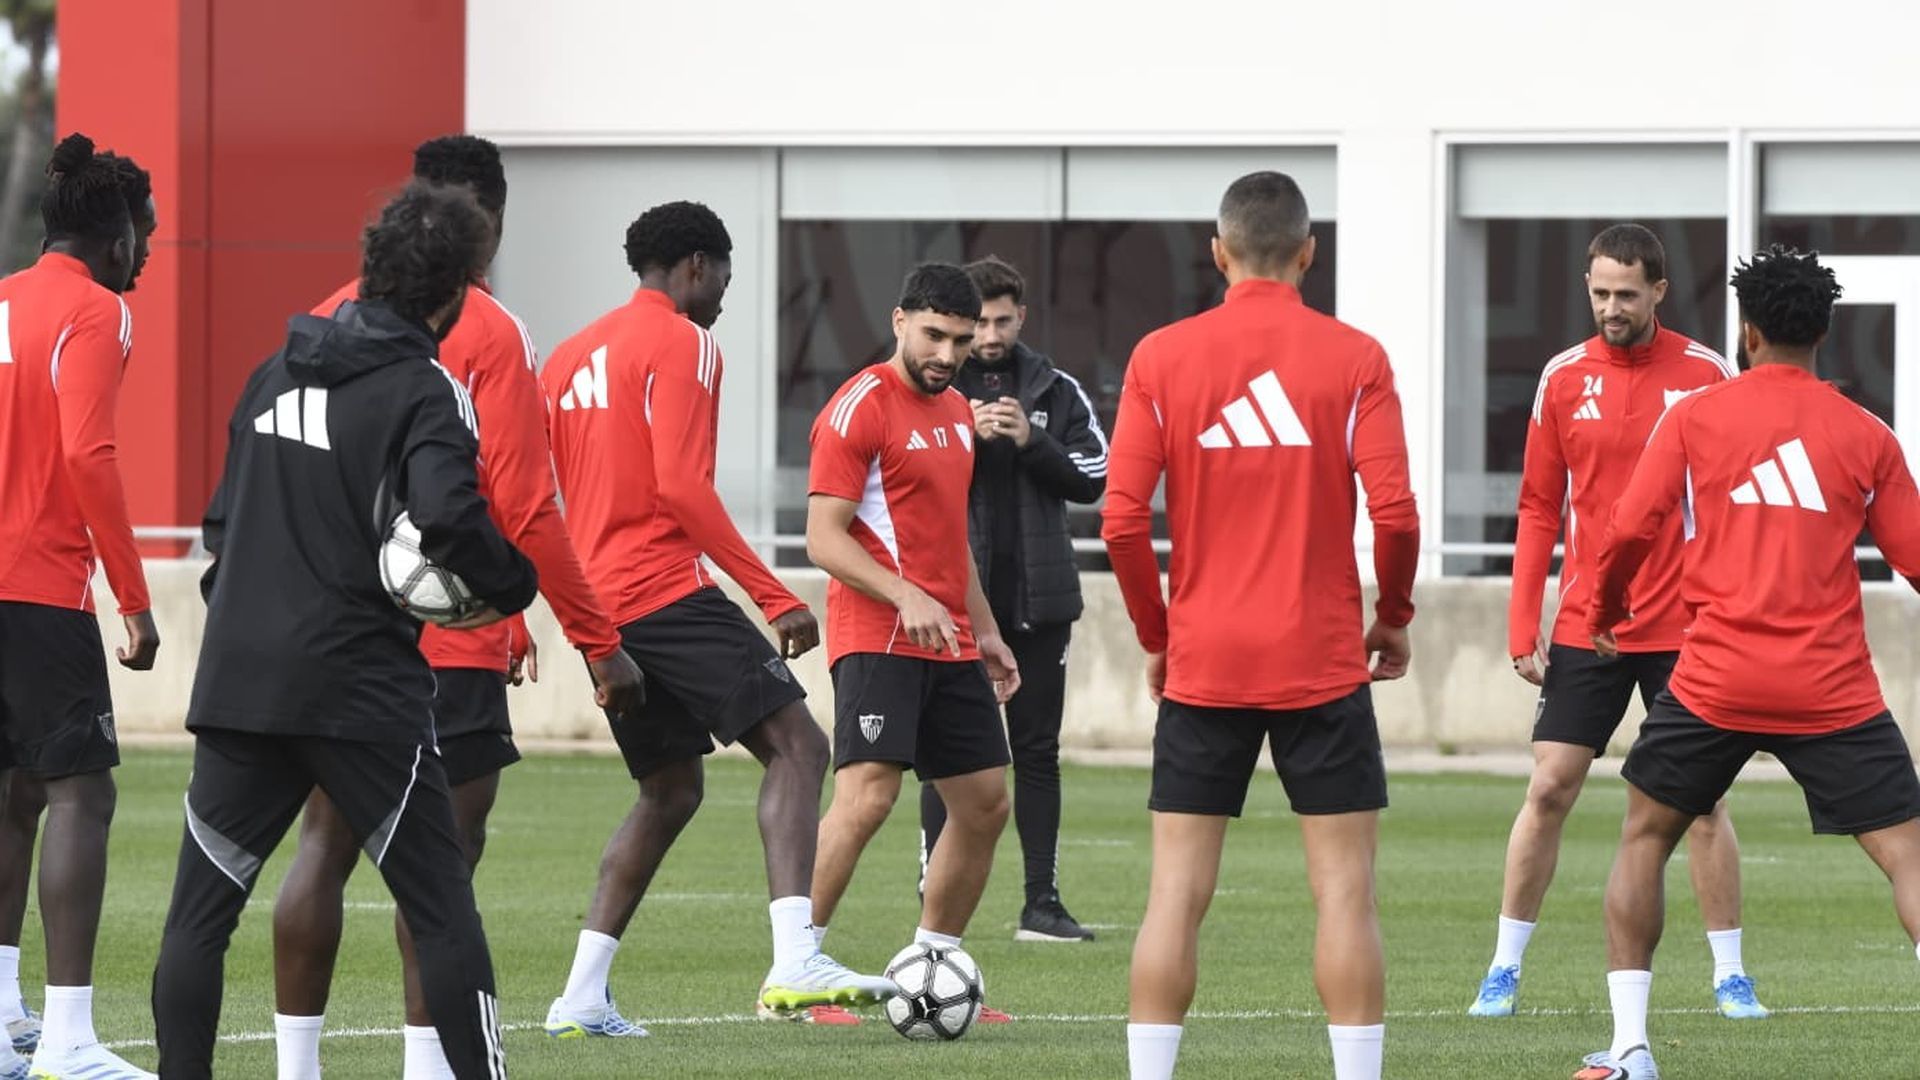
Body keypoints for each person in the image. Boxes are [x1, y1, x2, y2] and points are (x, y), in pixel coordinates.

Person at [271, 136, 640, 1080]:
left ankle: (295, 1069)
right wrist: (597, 642)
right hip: (444, 638)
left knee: (324, 844)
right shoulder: (491, 328)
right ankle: (430, 1067)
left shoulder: (327, 315)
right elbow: (524, 506)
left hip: (332, 635)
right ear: (492, 225)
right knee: (443, 863)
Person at [150, 181, 535, 1080]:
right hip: (361, 689)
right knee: (442, 912)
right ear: (456, 293)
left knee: (198, 919)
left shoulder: (271, 373)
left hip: (241, 680)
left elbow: (220, 529)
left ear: (370, 269)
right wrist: (513, 583)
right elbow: (448, 516)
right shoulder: (426, 388)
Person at [540, 200, 893, 1039]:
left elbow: (544, 497)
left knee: (670, 791)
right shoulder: (686, 340)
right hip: (664, 591)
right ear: (696, 266)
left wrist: (579, 628)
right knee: (801, 747)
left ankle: (581, 996)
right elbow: (681, 489)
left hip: (605, 612)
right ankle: (795, 958)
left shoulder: (566, 356)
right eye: (725, 276)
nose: (727, 296)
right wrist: (773, 594)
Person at [1572, 246, 1920, 1080]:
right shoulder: (1867, 434)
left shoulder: (1694, 417)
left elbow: (1628, 530)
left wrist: (1604, 611)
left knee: (1644, 837)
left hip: (1715, 681)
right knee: (1909, 856)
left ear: (1748, 331)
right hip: (1831, 689)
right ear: (1823, 334)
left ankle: (1629, 1051)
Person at [1104, 171, 1419, 1080]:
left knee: (1175, 895)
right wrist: (1393, 616)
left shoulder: (1161, 356)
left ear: (1218, 253)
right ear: (1309, 253)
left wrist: (1158, 635)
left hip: (1206, 659)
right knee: (1346, 894)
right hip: (1320, 656)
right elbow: (1396, 516)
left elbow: (1121, 521)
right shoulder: (1356, 357)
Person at [1472, 224, 1763, 1020]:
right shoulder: (1563, 377)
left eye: (1626, 294)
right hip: (1584, 624)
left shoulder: (1707, 373)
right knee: (1548, 787)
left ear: (1659, 291)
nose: (1611, 307)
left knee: (1702, 803)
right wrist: (1521, 620)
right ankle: (1503, 967)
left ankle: (1730, 975)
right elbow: (1539, 506)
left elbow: (1733, 501)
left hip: (1685, 627)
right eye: (1600, 293)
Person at [805, 262, 1021, 1015]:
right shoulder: (857, 406)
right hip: (876, 632)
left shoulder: (959, 410)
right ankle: (795, 968)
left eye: (960, 340)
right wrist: (902, 593)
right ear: (899, 321)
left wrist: (985, 630)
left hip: (950, 639)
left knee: (985, 804)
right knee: (868, 798)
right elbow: (823, 537)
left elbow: (950, 539)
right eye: (933, 335)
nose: (947, 354)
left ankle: (935, 967)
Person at [0, 133, 157, 1080]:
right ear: (116, 236)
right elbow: (88, 452)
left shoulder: (1, 299)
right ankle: (67, 1039)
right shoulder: (99, 310)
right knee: (81, 795)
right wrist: (133, 600)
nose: (147, 252)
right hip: (40, 585)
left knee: (12, 795)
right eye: (145, 235)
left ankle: (1, 1021)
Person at [914, 255, 1107, 944]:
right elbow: (901, 475)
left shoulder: (1055, 386)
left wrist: (1032, 439)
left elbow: (1095, 475)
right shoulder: (932, 383)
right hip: (953, 606)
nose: (989, 337)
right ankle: (932, 898)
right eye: (981, 324)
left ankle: (1041, 904)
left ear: (1020, 316)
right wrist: (960, 437)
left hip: (1038, 603)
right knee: (944, 758)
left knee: (1037, 752)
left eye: (1002, 321)